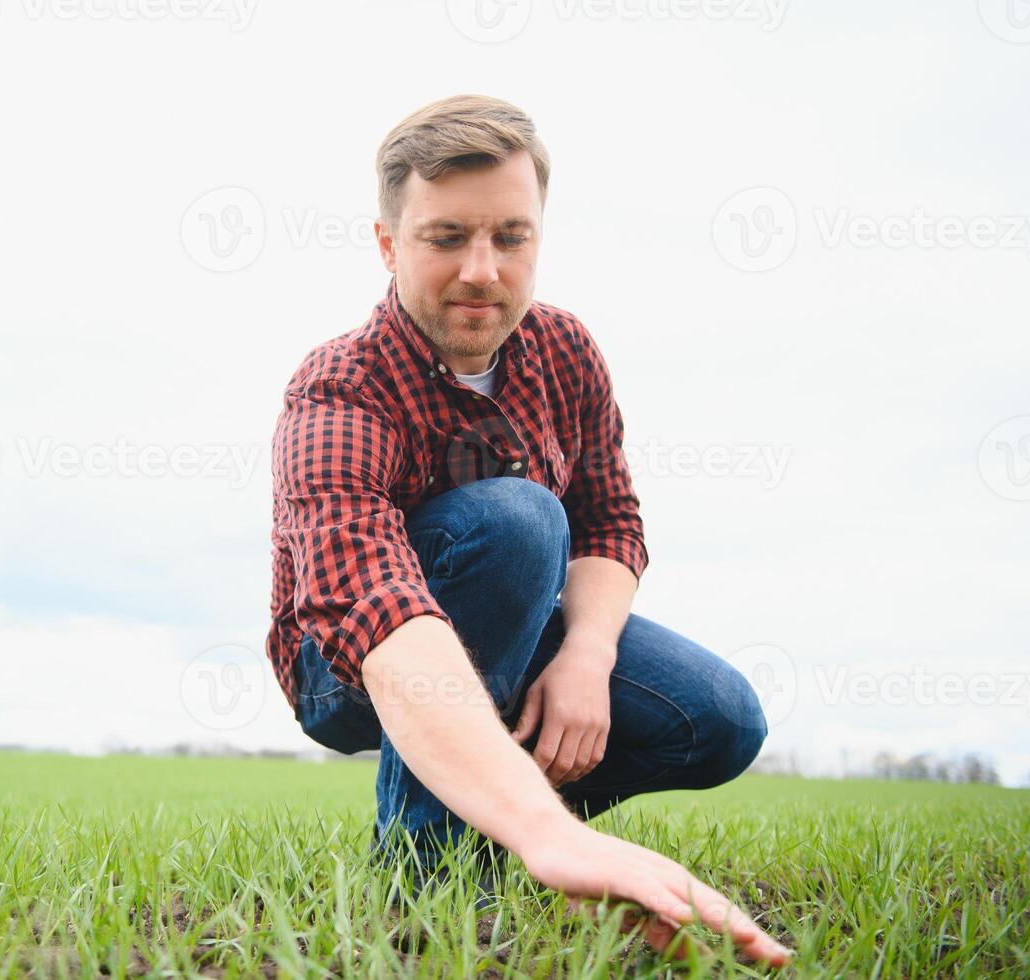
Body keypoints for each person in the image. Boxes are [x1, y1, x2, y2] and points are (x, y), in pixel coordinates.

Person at [264, 94, 790, 967]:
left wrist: (585, 656)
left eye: (511, 237)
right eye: (445, 238)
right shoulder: (337, 388)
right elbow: (375, 603)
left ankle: (489, 833)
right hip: (345, 668)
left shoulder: (563, 350)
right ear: (389, 244)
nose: (482, 270)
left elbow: (611, 520)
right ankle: (421, 884)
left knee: (718, 718)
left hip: (514, 633)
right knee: (512, 518)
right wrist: (550, 827)